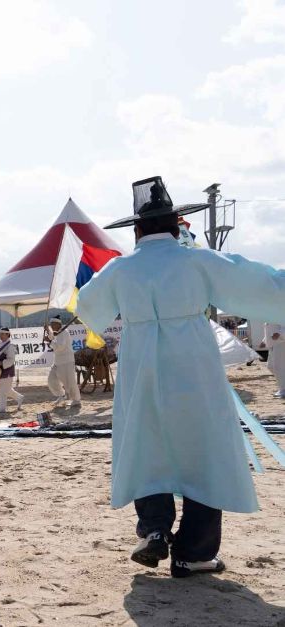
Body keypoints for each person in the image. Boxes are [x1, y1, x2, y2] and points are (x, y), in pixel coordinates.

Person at [77, 175, 285, 578]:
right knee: (204, 451)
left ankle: (153, 530)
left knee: (146, 442)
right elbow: (262, 282)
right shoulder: (197, 260)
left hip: (141, 365)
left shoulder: (121, 269)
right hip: (193, 363)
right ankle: (194, 552)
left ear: (136, 230)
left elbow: (88, 306)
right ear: (178, 227)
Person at [44, 317, 80, 408]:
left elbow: (60, 347)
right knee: (51, 380)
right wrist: (47, 330)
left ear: (58, 324)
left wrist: (50, 341)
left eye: (53, 325)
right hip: (57, 362)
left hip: (67, 361)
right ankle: (61, 395)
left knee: (70, 382)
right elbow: (52, 336)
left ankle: (76, 400)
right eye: (51, 325)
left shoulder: (64, 333)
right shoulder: (57, 332)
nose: (52, 326)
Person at [0, 327, 23, 414]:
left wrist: (0, 363)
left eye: (2, 334)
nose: (0, 335)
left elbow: (11, 360)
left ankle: (2, 409)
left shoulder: (10, 346)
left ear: (7, 334)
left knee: (2, 391)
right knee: (6, 390)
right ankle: (19, 398)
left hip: (7, 371)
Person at [265, 323, 285, 398]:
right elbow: (270, 330)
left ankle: (283, 389)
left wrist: (280, 334)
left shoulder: (280, 313)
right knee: (270, 366)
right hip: (272, 344)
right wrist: (264, 341)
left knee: (278, 367)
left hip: (281, 343)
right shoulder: (269, 315)